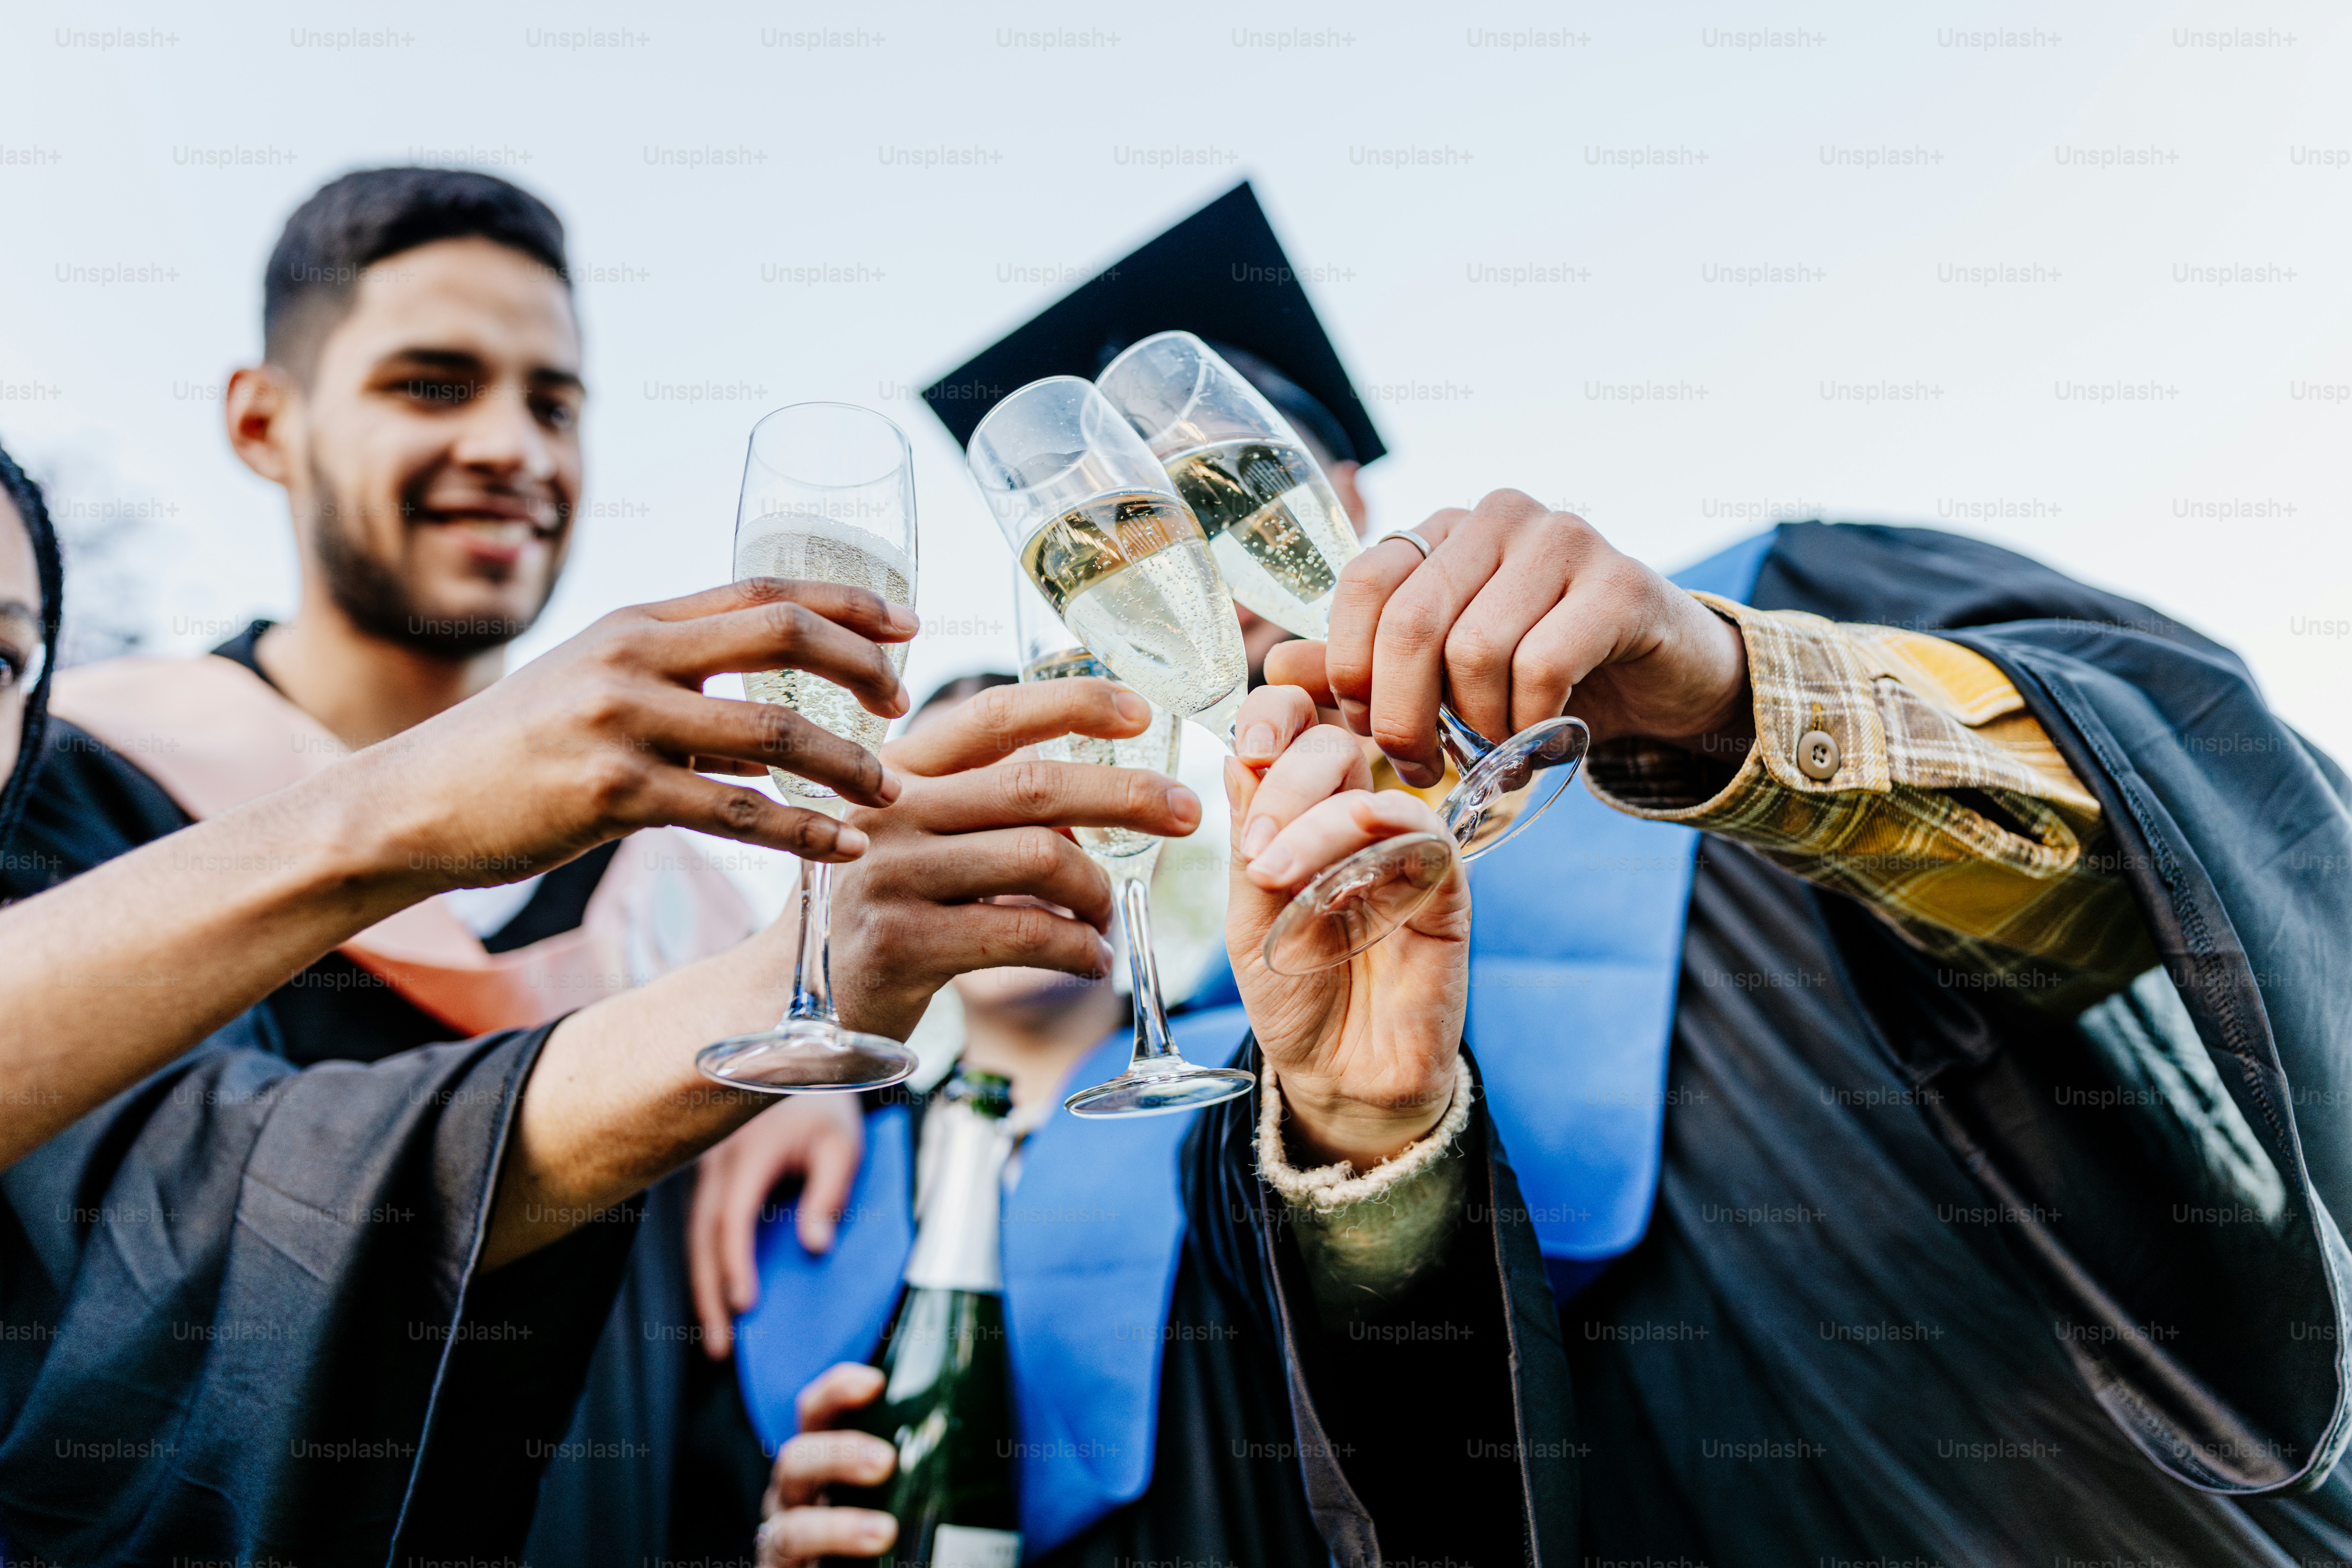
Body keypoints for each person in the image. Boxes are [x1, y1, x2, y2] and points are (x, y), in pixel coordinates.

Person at [922, 181, 2352, 1560]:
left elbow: (2198, 843)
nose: (1178, 555)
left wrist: (1734, 703)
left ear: (1332, 487)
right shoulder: (1238, 1047)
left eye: (1199, 492)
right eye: (1121, 536)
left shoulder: (1761, 612)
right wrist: (1359, 1153)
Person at [0, 166, 861, 1555]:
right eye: (433, 384)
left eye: (554, 401)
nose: (514, 445)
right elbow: (176, 1234)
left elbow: (692, 1376)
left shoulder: (696, 911)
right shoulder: (90, 790)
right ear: (264, 421)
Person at [741, 673, 1574, 1566]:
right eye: (958, 813)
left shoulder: (1258, 1098)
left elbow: (1423, 1410)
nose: (1012, 842)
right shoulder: (793, 1189)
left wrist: (1367, 1132)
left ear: (1142, 831)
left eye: (1057, 793)